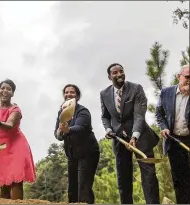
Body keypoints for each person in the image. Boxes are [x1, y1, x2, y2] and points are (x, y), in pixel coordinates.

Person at [100, 63, 160, 204]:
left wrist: (135, 136)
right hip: (119, 140)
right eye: (115, 72)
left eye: (121, 71)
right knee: (123, 178)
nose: (119, 74)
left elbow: (139, 115)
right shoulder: (104, 94)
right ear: (110, 77)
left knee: (149, 176)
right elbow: (105, 116)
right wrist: (108, 129)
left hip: (141, 137)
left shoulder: (136, 89)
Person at [54, 84, 100, 204]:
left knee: (83, 188)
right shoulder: (61, 112)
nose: (68, 94)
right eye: (66, 92)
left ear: (77, 96)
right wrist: (60, 132)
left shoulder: (82, 111)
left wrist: (68, 130)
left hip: (88, 153)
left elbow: (81, 127)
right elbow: (57, 133)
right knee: (72, 189)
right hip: (72, 155)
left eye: (72, 92)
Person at [155, 64, 190, 204]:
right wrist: (163, 127)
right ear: (179, 77)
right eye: (187, 77)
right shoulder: (166, 92)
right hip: (174, 140)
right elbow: (159, 113)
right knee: (180, 178)